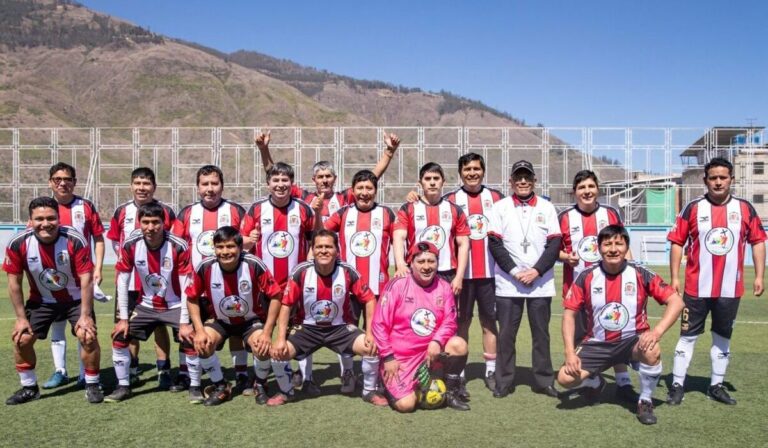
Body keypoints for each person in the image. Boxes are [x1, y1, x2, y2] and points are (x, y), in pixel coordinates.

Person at [256, 130, 400, 387]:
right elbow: (276, 177)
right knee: (307, 321)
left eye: (328, 176)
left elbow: (371, 179)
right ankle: (304, 374)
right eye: (320, 177)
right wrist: (264, 150)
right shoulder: (305, 198)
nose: (324, 180)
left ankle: (349, 372)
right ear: (314, 180)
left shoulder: (347, 198)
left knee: (346, 325)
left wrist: (388, 153)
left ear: (335, 179)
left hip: (346, 275)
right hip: (317, 272)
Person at [557, 225, 684, 425]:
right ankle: (596, 381)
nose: (613, 249)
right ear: (599, 248)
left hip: (631, 342)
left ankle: (645, 400)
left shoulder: (640, 273)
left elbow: (676, 302)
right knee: (565, 378)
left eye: (619, 243)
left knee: (652, 349)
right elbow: (569, 315)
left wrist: (656, 332)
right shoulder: (587, 276)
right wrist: (569, 352)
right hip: (597, 343)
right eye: (607, 244)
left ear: (626, 248)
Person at [666, 157, 766, 406]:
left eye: (723, 177)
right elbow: (677, 242)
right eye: (713, 178)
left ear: (732, 179)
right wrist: (675, 277)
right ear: (705, 180)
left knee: (722, 338)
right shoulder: (692, 208)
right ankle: (678, 384)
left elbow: (758, 242)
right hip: (695, 287)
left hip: (730, 288)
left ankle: (716, 385)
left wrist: (760, 275)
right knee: (688, 336)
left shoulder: (745, 209)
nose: (718, 182)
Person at [3, 197, 103, 404]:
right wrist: (21, 318)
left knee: (88, 335)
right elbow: (14, 283)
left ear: (59, 218)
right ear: (30, 221)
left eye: (51, 218)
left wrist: (85, 316)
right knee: (21, 339)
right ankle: (30, 387)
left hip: (75, 299)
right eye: (39, 219)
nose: (45, 223)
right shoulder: (18, 243)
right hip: (42, 301)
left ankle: (92, 384)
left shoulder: (74, 239)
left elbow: (86, 279)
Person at [269, 230, 385, 406]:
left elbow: (369, 299)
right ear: (313, 250)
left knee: (371, 348)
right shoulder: (301, 272)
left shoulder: (347, 271)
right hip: (307, 329)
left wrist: (370, 333)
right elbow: (286, 305)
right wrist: (279, 338)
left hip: (339, 328)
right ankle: (286, 392)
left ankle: (369, 391)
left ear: (336, 250)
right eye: (319, 247)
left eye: (328, 247)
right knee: (278, 353)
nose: (324, 251)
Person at [105, 202, 201, 403]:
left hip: (174, 304)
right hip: (146, 305)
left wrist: (184, 322)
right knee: (119, 336)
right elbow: (122, 281)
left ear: (164, 223)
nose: (150, 227)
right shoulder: (131, 244)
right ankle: (123, 386)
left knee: (190, 337)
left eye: (155, 222)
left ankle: (194, 386)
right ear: (139, 222)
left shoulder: (178, 245)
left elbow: (186, 286)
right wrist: (123, 319)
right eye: (145, 222)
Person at [239, 162, 318, 395]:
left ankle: (306, 377)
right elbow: (239, 243)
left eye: (285, 181)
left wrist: (307, 269)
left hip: (296, 285)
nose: (280, 185)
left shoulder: (303, 210)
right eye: (276, 180)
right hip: (264, 286)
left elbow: (315, 240)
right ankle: (261, 379)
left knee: (300, 331)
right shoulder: (255, 210)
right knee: (263, 332)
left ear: (291, 184)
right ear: (268, 184)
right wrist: (248, 240)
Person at [558, 170, 636, 401]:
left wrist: (631, 270)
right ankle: (593, 380)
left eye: (590, 186)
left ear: (598, 189)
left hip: (612, 286)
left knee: (616, 332)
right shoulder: (564, 217)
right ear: (574, 192)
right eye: (581, 188)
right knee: (582, 338)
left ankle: (623, 382)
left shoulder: (610, 213)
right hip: (578, 289)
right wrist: (565, 257)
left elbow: (623, 243)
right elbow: (554, 250)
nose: (587, 191)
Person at [487, 160, 562, 398]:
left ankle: (543, 379)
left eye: (527, 177)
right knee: (507, 334)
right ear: (510, 181)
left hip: (540, 283)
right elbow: (495, 244)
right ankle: (504, 381)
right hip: (509, 283)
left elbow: (554, 244)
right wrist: (514, 272)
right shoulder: (500, 207)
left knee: (541, 334)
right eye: (518, 177)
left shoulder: (547, 208)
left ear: (534, 180)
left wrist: (536, 271)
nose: (522, 181)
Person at [185, 226, 283, 406]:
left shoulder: (253, 264)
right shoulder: (205, 267)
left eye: (230, 247)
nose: (225, 252)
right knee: (202, 344)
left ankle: (260, 384)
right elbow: (191, 298)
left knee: (262, 346)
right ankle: (221, 386)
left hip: (250, 320)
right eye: (220, 247)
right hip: (221, 321)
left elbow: (276, 295)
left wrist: (267, 331)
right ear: (214, 248)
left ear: (240, 247)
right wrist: (199, 330)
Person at [173, 165, 248, 393]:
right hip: (197, 286)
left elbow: (245, 244)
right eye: (205, 184)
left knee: (236, 329)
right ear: (197, 187)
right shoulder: (186, 213)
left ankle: (242, 373)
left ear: (222, 186)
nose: (210, 189)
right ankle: (187, 374)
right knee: (190, 331)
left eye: (214, 184)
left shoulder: (236, 211)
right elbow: (176, 247)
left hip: (230, 285)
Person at [371, 241, 470, 412]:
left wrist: (437, 342)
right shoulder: (397, 286)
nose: (426, 267)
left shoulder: (445, 288)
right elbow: (379, 324)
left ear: (438, 263)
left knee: (459, 345)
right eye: (421, 262)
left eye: (431, 261)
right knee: (406, 405)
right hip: (401, 358)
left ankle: (451, 391)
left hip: (430, 355)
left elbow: (450, 321)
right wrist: (388, 357)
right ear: (411, 263)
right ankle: (385, 383)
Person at [324, 169, 395, 396]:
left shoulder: (386, 214)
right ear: (352, 191)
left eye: (369, 188)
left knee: (379, 333)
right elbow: (320, 234)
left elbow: (402, 240)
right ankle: (347, 372)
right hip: (348, 290)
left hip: (379, 288)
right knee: (347, 333)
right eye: (360, 188)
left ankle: (377, 376)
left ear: (375, 190)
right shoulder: (343, 213)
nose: (364, 193)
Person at [106, 167, 175, 389]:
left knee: (159, 325)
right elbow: (116, 242)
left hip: (158, 281)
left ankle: (164, 368)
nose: (141, 188)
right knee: (127, 326)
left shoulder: (166, 211)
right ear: (131, 186)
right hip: (129, 280)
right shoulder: (121, 212)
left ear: (154, 187)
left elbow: (172, 242)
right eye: (137, 183)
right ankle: (132, 368)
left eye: (146, 184)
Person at [442, 153, 504, 393]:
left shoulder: (497, 198)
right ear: (460, 173)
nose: (472, 173)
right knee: (462, 322)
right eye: (467, 169)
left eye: (476, 168)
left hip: (490, 274)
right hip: (460, 276)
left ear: (483, 171)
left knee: (489, 322)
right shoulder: (450, 200)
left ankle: (491, 369)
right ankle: (460, 370)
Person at [43, 162, 106, 389]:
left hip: (81, 277)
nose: (63, 183)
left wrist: (98, 268)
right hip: (53, 278)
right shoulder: (43, 208)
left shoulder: (85, 207)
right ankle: (60, 370)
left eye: (67, 179)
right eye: (57, 179)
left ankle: (83, 373)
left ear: (74, 182)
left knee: (84, 325)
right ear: (51, 182)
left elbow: (98, 239)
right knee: (57, 324)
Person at [393, 162, 470, 292]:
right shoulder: (408, 208)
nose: (432, 183)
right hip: (417, 270)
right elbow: (398, 238)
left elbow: (463, 244)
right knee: (416, 312)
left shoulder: (455, 210)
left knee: (446, 312)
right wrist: (400, 264)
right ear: (420, 183)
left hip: (447, 272)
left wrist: (459, 277)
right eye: (428, 179)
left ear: (443, 182)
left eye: (436, 178)